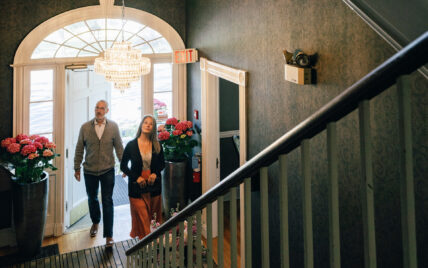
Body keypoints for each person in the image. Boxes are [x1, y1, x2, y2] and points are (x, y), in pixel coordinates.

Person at [74, 100, 124, 247]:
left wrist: (124, 168)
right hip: (89, 170)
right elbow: (79, 149)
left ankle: (109, 235)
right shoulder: (84, 127)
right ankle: (95, 222)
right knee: (92, 198)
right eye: (97, 108)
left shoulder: (113, 127)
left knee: (108, 200)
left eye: (102, 108)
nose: (99, 110)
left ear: (107, 111)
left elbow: (119, 148)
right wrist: (76, 167)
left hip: (108, 170)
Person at [120, 115, 165, 239]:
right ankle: (148, 246)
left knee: (153, 219)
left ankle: (152, 244)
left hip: (154, 186)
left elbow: (162, 164)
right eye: (145, 122)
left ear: (153, 128)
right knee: (143, 217)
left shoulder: (157, 145)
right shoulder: (131, 145)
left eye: (150, 123)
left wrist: (155, 174)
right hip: (136, 187)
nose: (147, 125)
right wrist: (136, 177)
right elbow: (123, 166)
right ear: (141, 125)